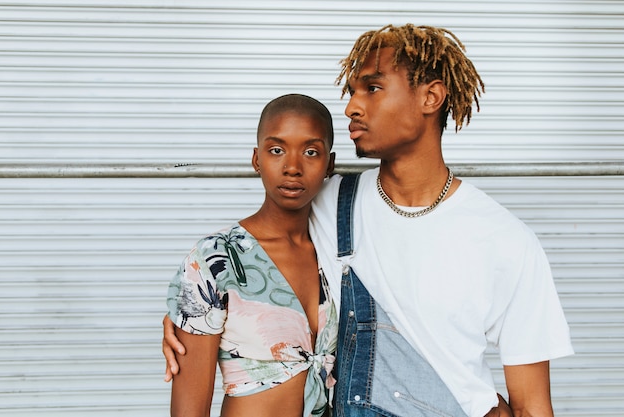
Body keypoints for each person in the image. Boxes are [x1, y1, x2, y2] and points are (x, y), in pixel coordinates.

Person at [163, 24, 574, 417]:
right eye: (353, 91)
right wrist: (190, 317)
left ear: (431, 97)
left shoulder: (505, 240)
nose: (351, 107)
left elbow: (532, 405)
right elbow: (238, 269)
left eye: (373, 88)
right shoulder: (330, 201)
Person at [165, 93, 338, 417]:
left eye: (311, 152)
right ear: (256, 159)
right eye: (276, 150)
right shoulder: (217, 260)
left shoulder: (339, 255)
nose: (292, 167)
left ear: (329, 164)